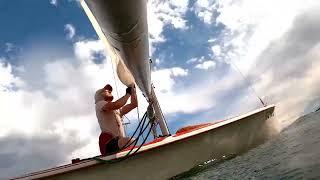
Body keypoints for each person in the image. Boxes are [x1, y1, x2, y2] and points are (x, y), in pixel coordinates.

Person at [95, 84, 137, 156]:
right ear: (99, 95)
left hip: (118, 142)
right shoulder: (99, 103)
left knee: (130, 141)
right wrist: (127, 94)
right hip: (109, 143)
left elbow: (133, 104)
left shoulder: (116, 111)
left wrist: (133, 92)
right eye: (106, 91)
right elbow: (116, 105)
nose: (109, 91)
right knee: (130, 141)